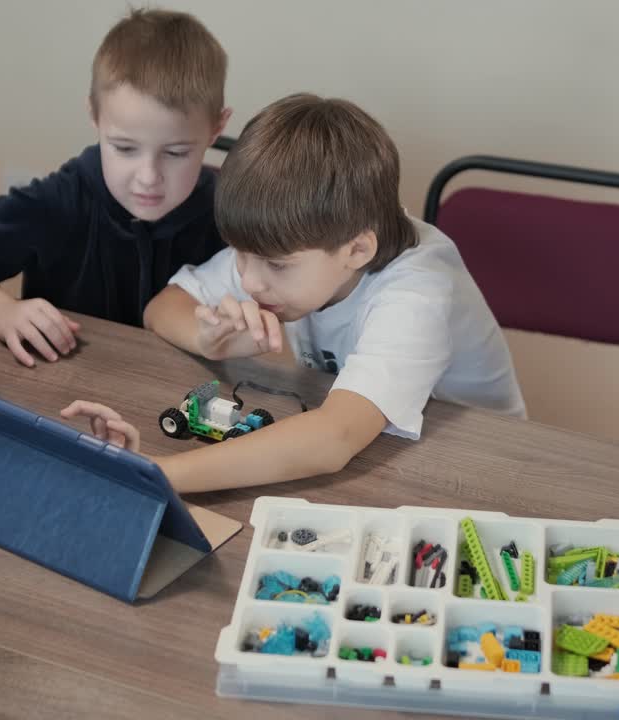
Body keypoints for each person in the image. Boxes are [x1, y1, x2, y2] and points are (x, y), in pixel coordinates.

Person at [62, 93, 526, 492]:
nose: (249, 281)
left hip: (482, 463)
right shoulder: (292, 241)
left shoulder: (418, 290)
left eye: (276, 265)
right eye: (240, 254)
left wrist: (156, 472)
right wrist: (210, 339)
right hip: (382, 446)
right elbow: (163, 309)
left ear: (358, 249)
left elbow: (332, 439)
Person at [0, 8, 231, 367]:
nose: (148, 176)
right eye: (125, 148)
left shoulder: (229, 208)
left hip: (181, 399)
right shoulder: (62, 200)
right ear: (94, 115)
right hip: (65, 392)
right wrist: (0, 311)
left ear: (216, 128)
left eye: (176, 152)